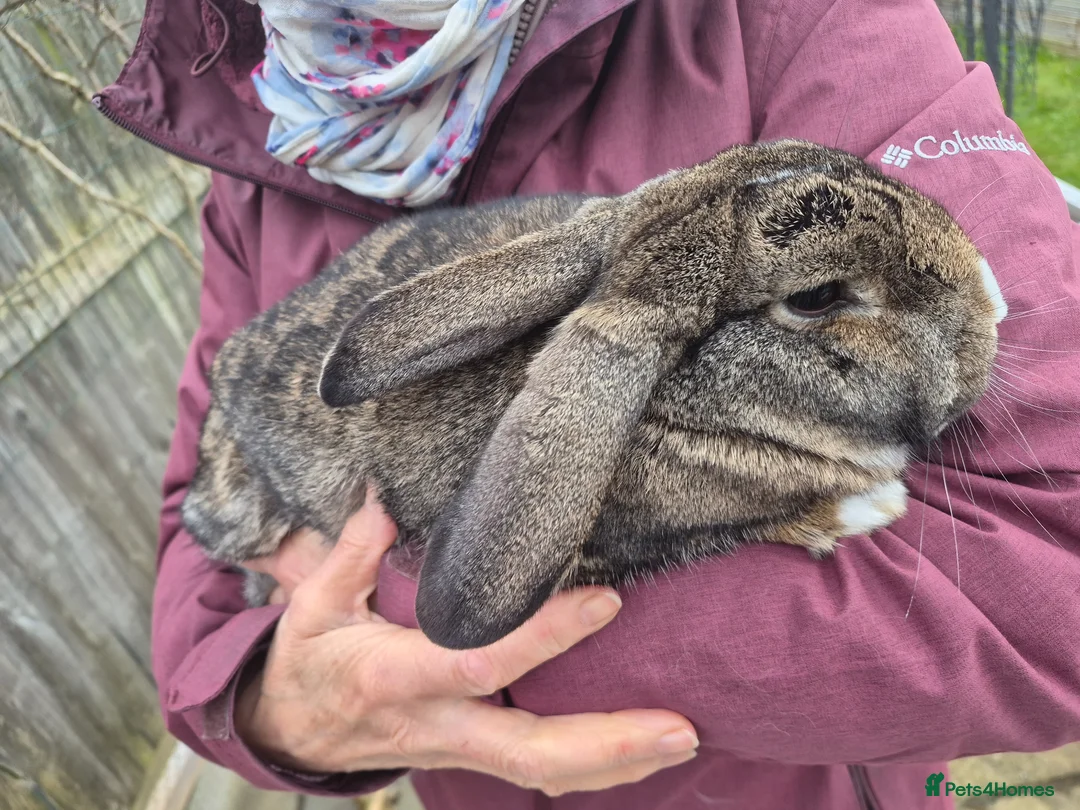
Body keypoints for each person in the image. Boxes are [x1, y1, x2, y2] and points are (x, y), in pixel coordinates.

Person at [97, 0, 1080, 807]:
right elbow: (199, 549)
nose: (988, 308)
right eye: (818, 301)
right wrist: (276, 704)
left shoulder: (781, 18)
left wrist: (412, 611)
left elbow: (1052, 577)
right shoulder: (249, 180)